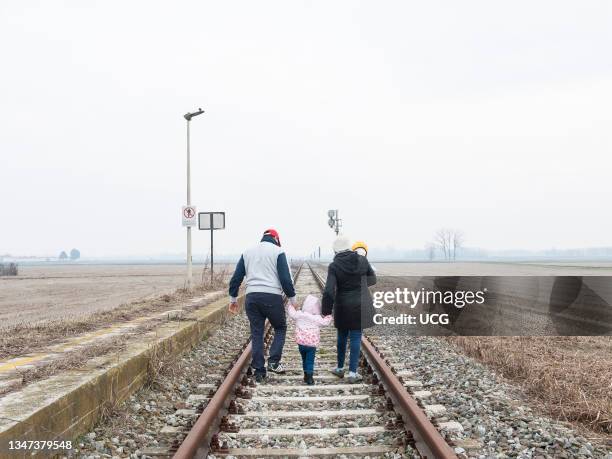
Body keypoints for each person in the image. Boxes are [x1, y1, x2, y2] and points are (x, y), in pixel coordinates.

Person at [228, 229, 297, 382]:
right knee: (280, 327)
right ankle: (273, 361)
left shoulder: (247, 252)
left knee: (257, 333)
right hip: (272, 297)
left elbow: (236, 278)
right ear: (276, 239)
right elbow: (286, 279)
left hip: (252, 297)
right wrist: (293, 299)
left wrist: (233, 299)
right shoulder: (278, 252)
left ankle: (259, 370)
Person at [322, 235, 376, 383]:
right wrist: (360, 286)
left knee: (342, 335)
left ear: (335, 251)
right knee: (356, 336)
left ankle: (340, 368)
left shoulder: (334, 266)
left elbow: (328, 291)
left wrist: (325, 310)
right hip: (360, 305)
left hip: (342, 306)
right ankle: (353, 373)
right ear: (349, 247)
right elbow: (373, 279)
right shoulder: (362, 260)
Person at [286, 294, 332, 385]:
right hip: (311, 344)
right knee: (310, 360)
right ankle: (310, 377)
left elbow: (291, 313)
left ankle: (305, 375)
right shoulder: (317, 318)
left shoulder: (299, 314)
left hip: (301, 343)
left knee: (304, 359)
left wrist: (291, 305)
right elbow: (325, 322)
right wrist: (329, 315)